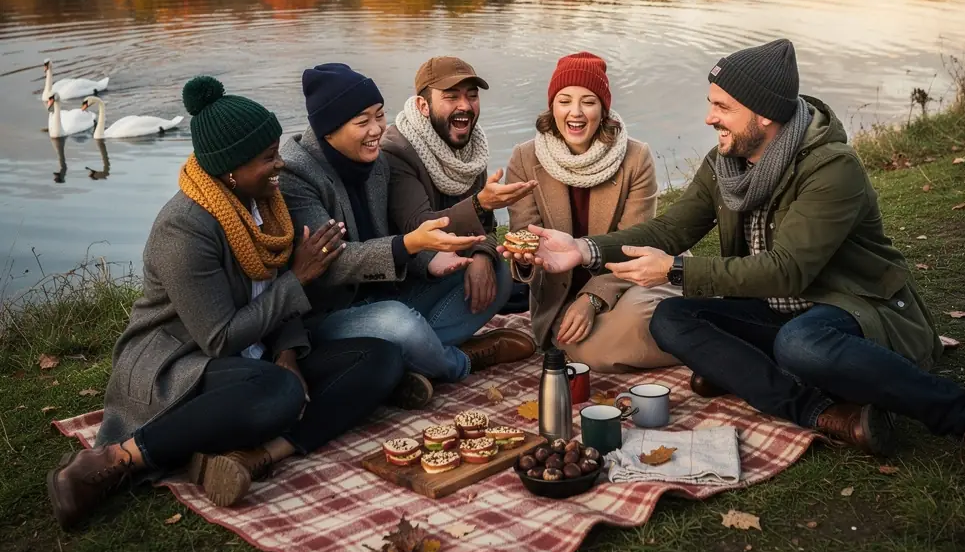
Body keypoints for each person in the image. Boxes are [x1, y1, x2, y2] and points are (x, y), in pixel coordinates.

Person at [519, 40, 965, 487]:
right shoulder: (726, 162)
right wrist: (584, 249)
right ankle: (825, 413)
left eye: (722, 107)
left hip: (856, 306)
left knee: (801, 342)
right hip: (778, 309)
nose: (709, 118)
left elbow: (789, 272)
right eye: (710, 104)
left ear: (763, 115)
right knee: (674, 318)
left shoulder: (832, 167)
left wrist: (676, 271)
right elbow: (672, 230)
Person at [47, 76, 403, 530]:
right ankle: (118, 458)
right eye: (268, 158)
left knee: (381, 358)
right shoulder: (185, 228)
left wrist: (288, 352)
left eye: (276, 151)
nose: (280, 166)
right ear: (230, 168)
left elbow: (271, 296)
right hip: (179, 364)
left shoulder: (265, 205)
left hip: (251, 359)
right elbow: (220, 338)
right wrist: (299, 277)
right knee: (278, 391)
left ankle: (257, 456)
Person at [279, 63, 535, 407]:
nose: (376, 130)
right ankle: (463, 361)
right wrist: (413, 245)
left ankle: (413, 361)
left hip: (391, 295)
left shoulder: (374, 161)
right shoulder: (297, 176)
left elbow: (393, 235)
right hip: (331, 315)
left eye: (380, 115)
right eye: (362, 122)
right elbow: (333, 264)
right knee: (399, 324)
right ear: (328, 130)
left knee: (497, 272)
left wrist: (431, 259)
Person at [499, 52, 675, 372]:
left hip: (622, 285)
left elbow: (635, 242)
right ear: (552, 106)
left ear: (603, 109)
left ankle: (698, 341)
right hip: (560, 299)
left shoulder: (636, 158)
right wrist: (524, 258)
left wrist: (592, 299)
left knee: (636, 320)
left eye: (588, 101)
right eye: (565, 100)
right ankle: (696, 344)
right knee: (591, 350)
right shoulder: (524, 159)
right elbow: (526, 237)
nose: (575, 113)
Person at [381, 54, 539, 329]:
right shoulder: (397, 150)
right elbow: (419, 226)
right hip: (409, 277)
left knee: (499, 271)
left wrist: (481, 255)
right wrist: (479, 204)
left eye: (472, 96)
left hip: (454, 265)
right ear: (423, 105)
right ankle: (448, 352)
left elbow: (486, 229)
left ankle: (433, 344)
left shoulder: (470, 149)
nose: (465, 106)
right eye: (451, 97)